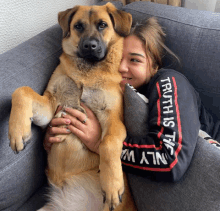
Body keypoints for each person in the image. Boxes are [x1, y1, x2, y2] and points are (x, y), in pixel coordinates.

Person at [44, 17, 218, 182]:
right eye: (116, 57)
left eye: (135, 60)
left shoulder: (168, 80)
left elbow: (169, 160)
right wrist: (56, 138)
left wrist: (100, 143)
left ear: (154, 66)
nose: (121, 67)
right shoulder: (112, 94)